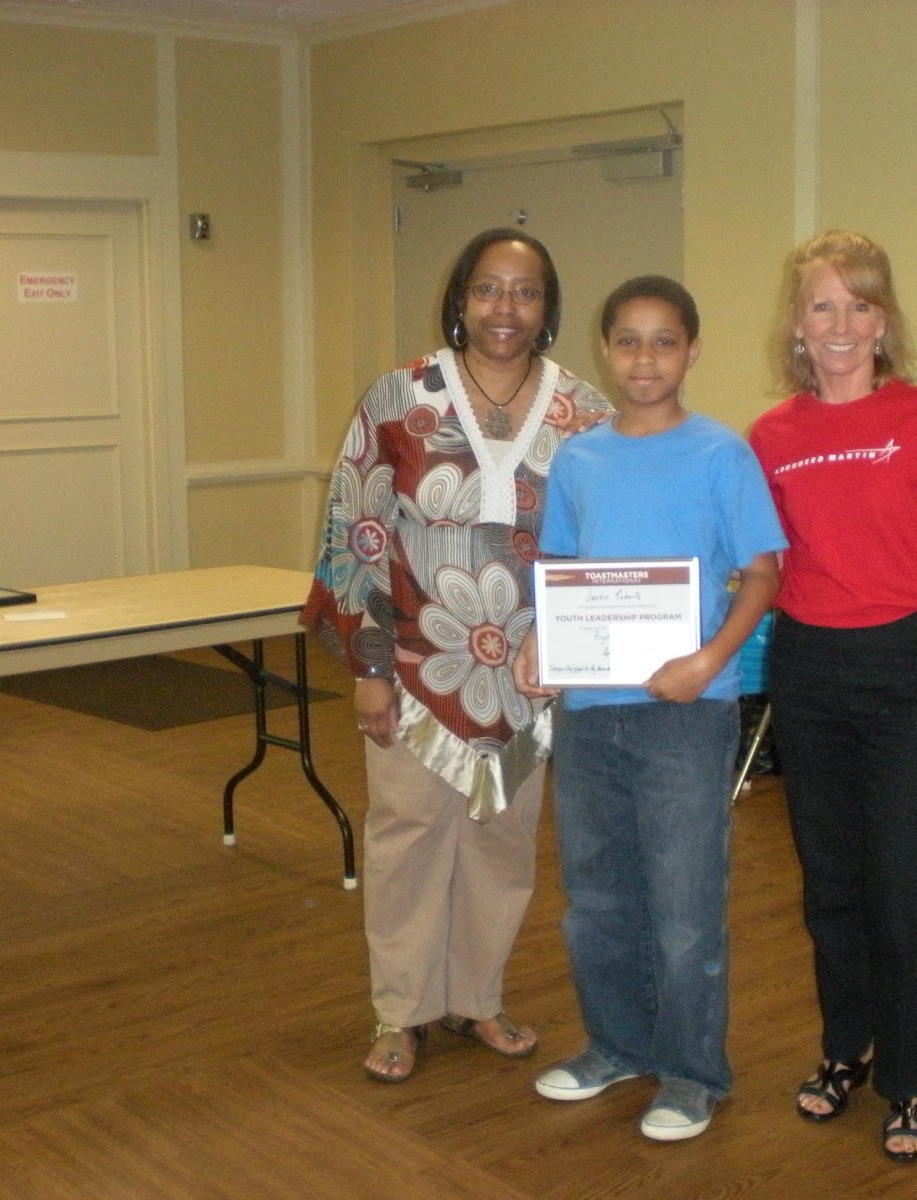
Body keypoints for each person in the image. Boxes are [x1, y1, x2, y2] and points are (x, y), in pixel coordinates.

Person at [302, 228, 611, 1084]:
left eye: (525, 291)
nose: (505, 307)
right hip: (416, 667)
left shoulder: (584, 410)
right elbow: (357, 531)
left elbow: (600, 544)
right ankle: (400, 1012)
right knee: (407, 840)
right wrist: (369, 669)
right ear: (461, 299)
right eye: (488, 288)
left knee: (502, 845)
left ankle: (477, 997)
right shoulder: (399, 397)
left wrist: (576, 651)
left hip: (528, 678)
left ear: (547, 308)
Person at [516, 275, 786, 1141]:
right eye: (628, 341)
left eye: (664, 341)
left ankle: (693, 1072)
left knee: (683, 903)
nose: (645, 359)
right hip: (591, 711)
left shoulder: (721, 455)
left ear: (692, 351)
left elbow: (764, 574)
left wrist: (709, 660)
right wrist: (539, 641)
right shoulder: (580, 459)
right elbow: (561, 570)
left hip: (687, 713)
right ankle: (616, 1045)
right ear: (605, 350)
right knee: (596, 898)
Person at [746, 231, 917, 1162]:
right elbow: (759, 566)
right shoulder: (772, 436)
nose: (840, 324)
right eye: (822, 305)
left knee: (906, 887)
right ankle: (845, 1048)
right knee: (832, 884)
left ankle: (911, 1081)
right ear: (798, 323)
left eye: (859, 304)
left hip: (908, 671)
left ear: (883, 320)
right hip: (809, 670)